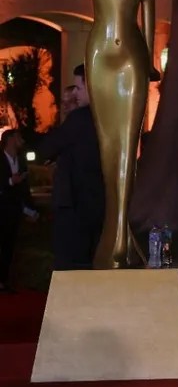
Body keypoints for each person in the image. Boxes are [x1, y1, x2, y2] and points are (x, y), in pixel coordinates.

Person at [40, 64, 105, 270]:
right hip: (100, 205)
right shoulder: (108, 116)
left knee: (70, 266)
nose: (75, 93)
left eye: (78, 88)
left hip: (74, 207)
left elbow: (47, 149)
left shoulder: (80, 118)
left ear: (91, 87)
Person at [0, 129, 34, 293]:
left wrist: (31, 209)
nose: (22, 140)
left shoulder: (20, 160)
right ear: (10, 140)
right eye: (18, 137)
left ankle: (4, 280)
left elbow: (25, 189)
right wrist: (10, 181)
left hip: (13, 211)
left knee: (10, 245)